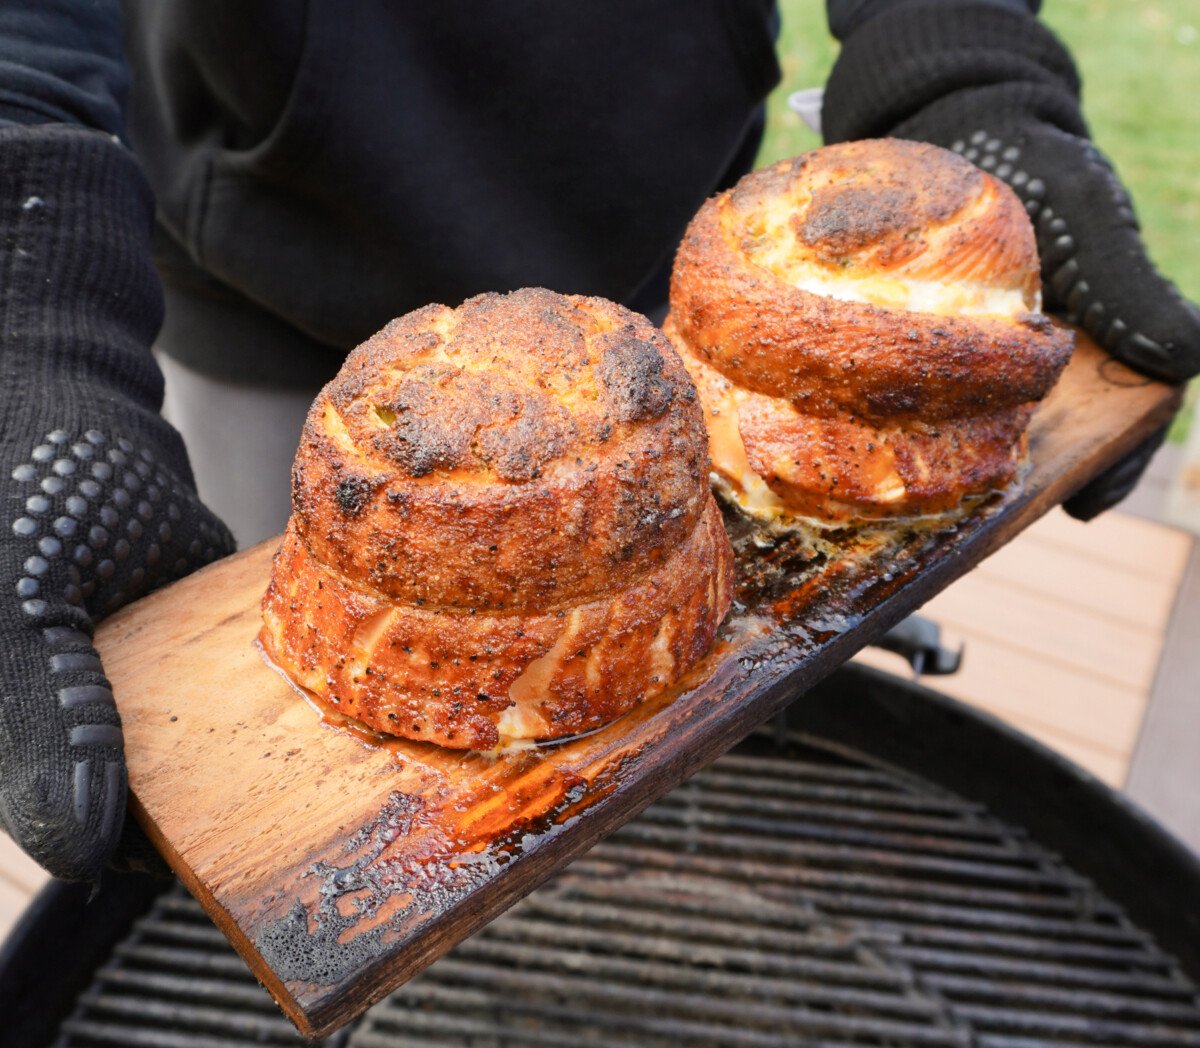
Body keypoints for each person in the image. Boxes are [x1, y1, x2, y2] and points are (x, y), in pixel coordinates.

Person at [1, 0, 1196, 884]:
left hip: (673, 248)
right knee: (331, 834)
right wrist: (28, 296)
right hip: (271, 264)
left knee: (681, 748)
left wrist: (955, 45)